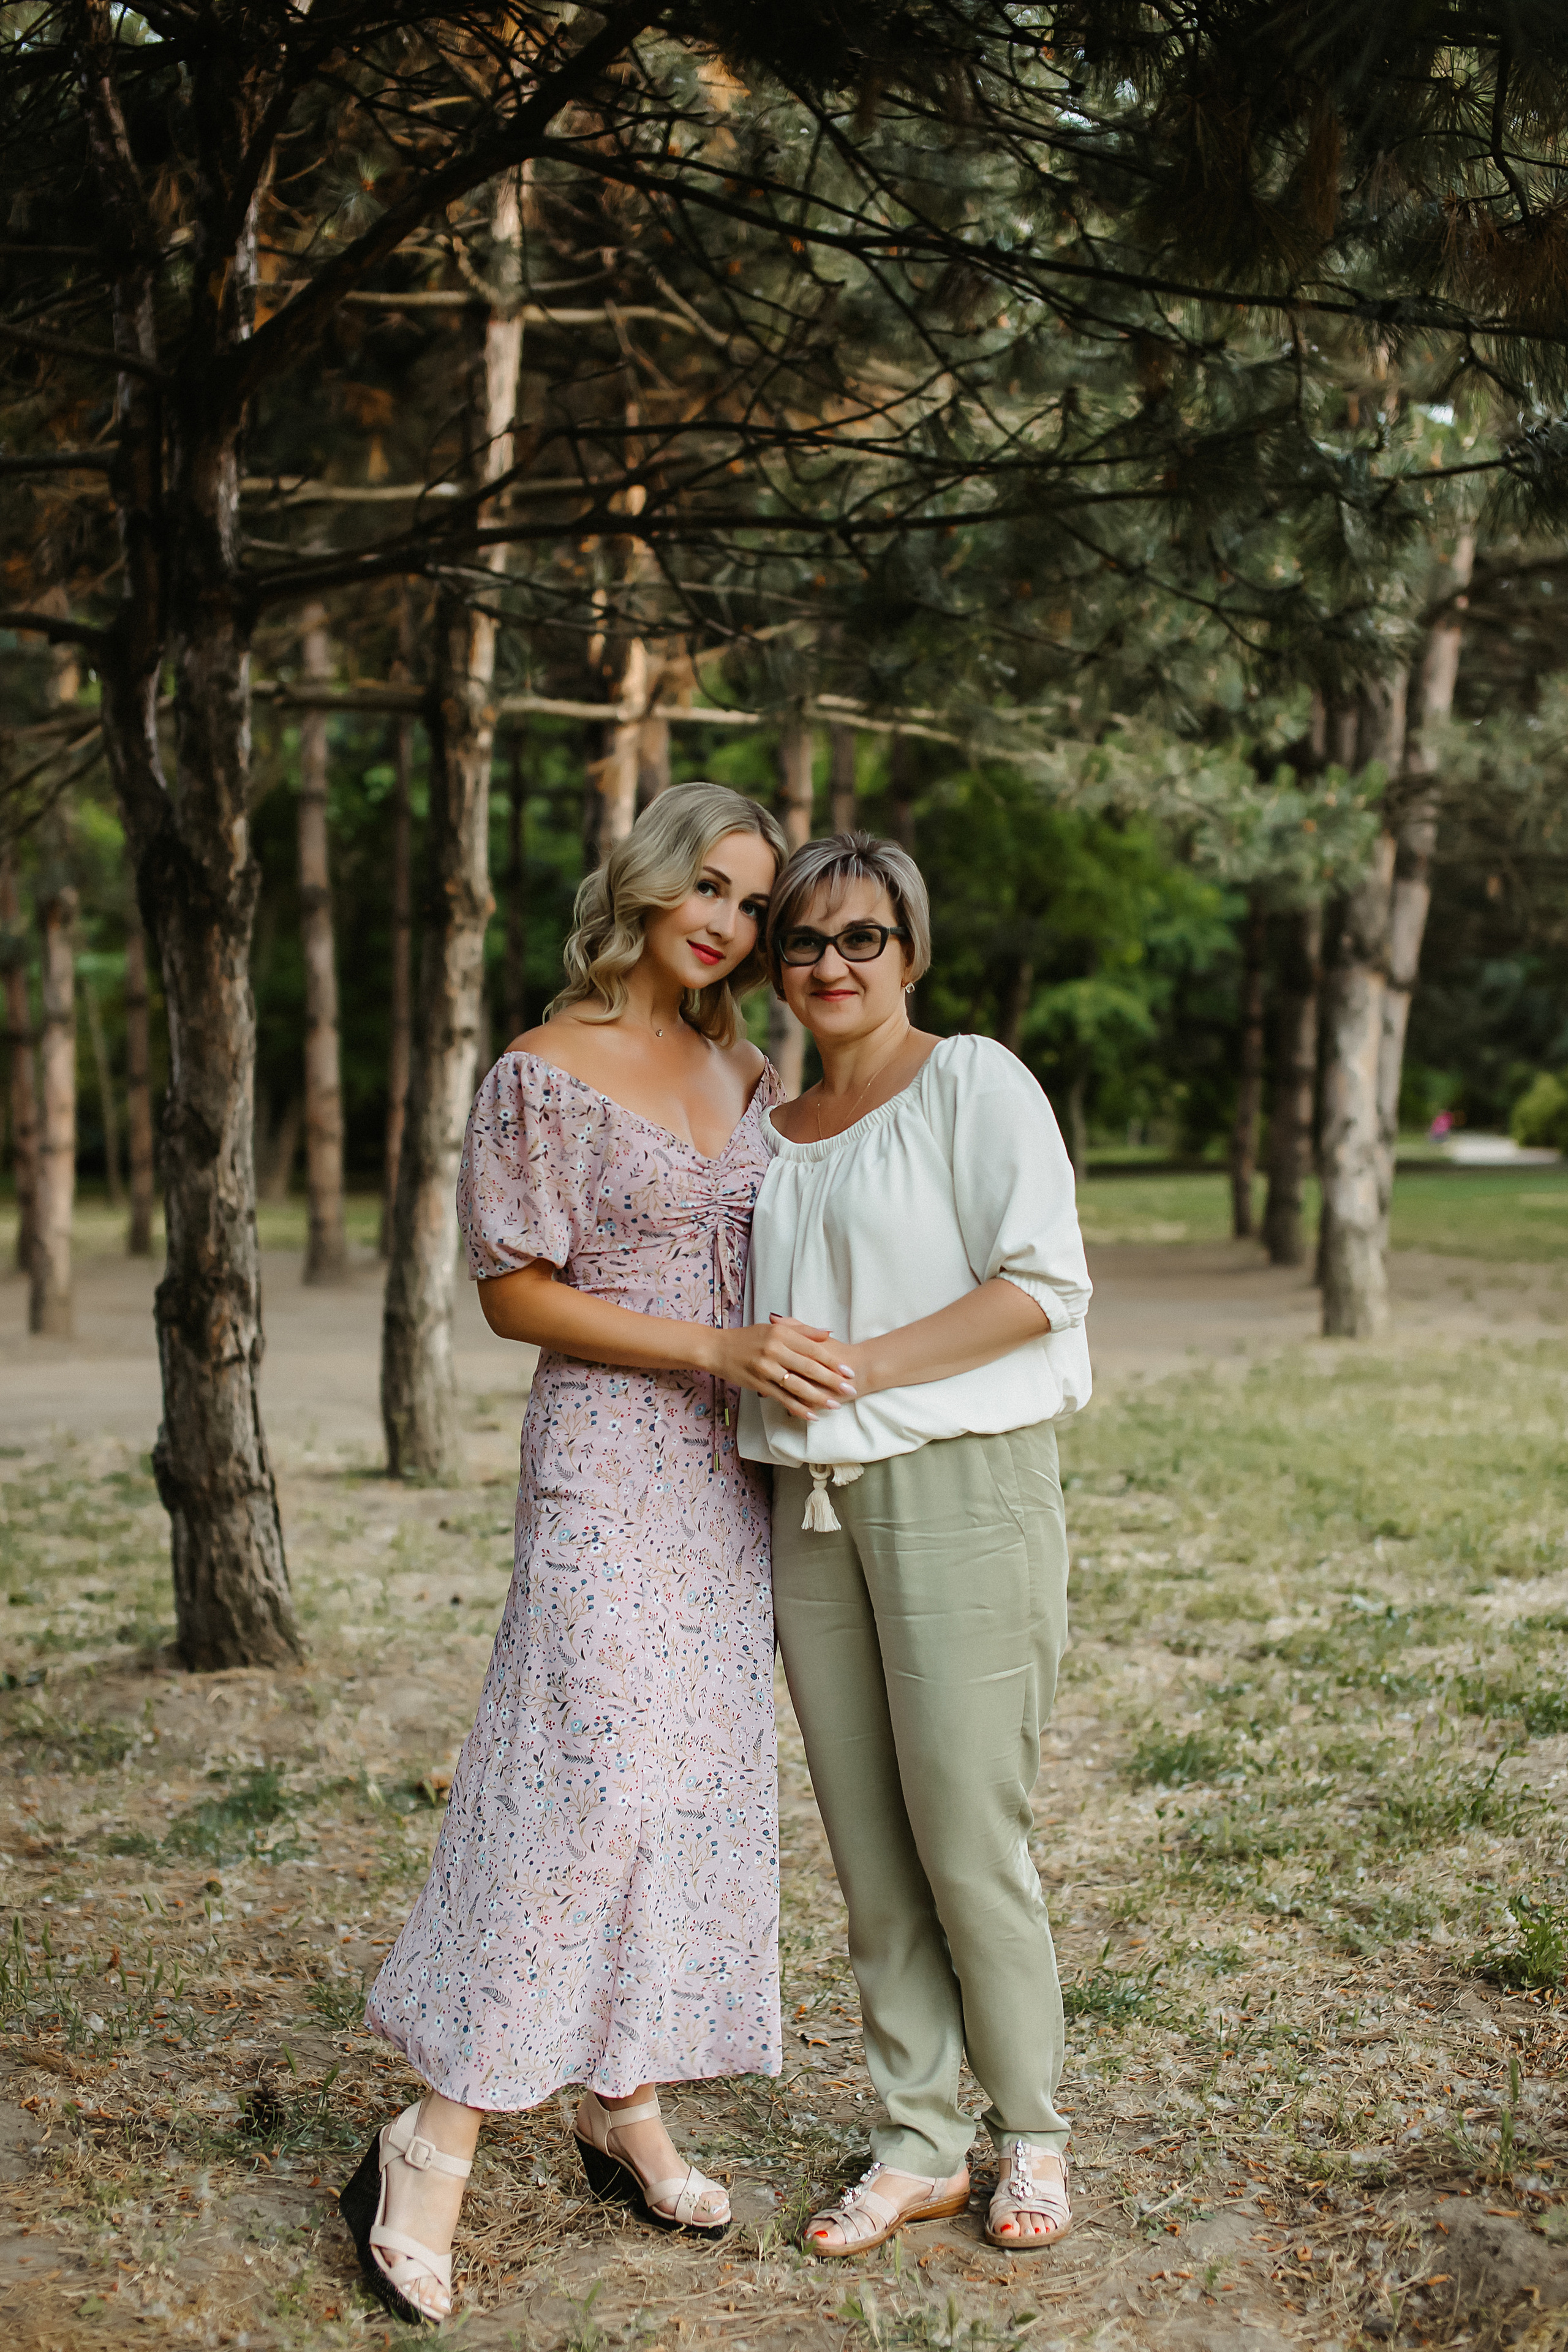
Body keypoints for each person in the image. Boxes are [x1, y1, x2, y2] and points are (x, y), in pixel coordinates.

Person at [345, 785, 859, 2324]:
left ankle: (621, 2096)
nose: (725, 921)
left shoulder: (746, 1063)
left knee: (690, 1784)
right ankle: (430, 2136)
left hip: (728, 1479)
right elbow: (514, 1295)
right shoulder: (541, 1069)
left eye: (752, 906)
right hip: (606, 1459)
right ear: (644, 880)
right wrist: (712, 1344)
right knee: (579, 1784)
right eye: (706, 884)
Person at [739, 832, 1093, 2258]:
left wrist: (865, 1370)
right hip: (806, 1512)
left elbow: (1041, 1284)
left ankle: (1034, 2135)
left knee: (964, 1831)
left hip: (957, 1487)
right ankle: (915, 2139)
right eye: (804, 942)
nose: (830, 965)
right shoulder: (764, 1120)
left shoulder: (971, 1081)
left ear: (910, 952)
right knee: (870, 1850)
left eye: (861, 938)